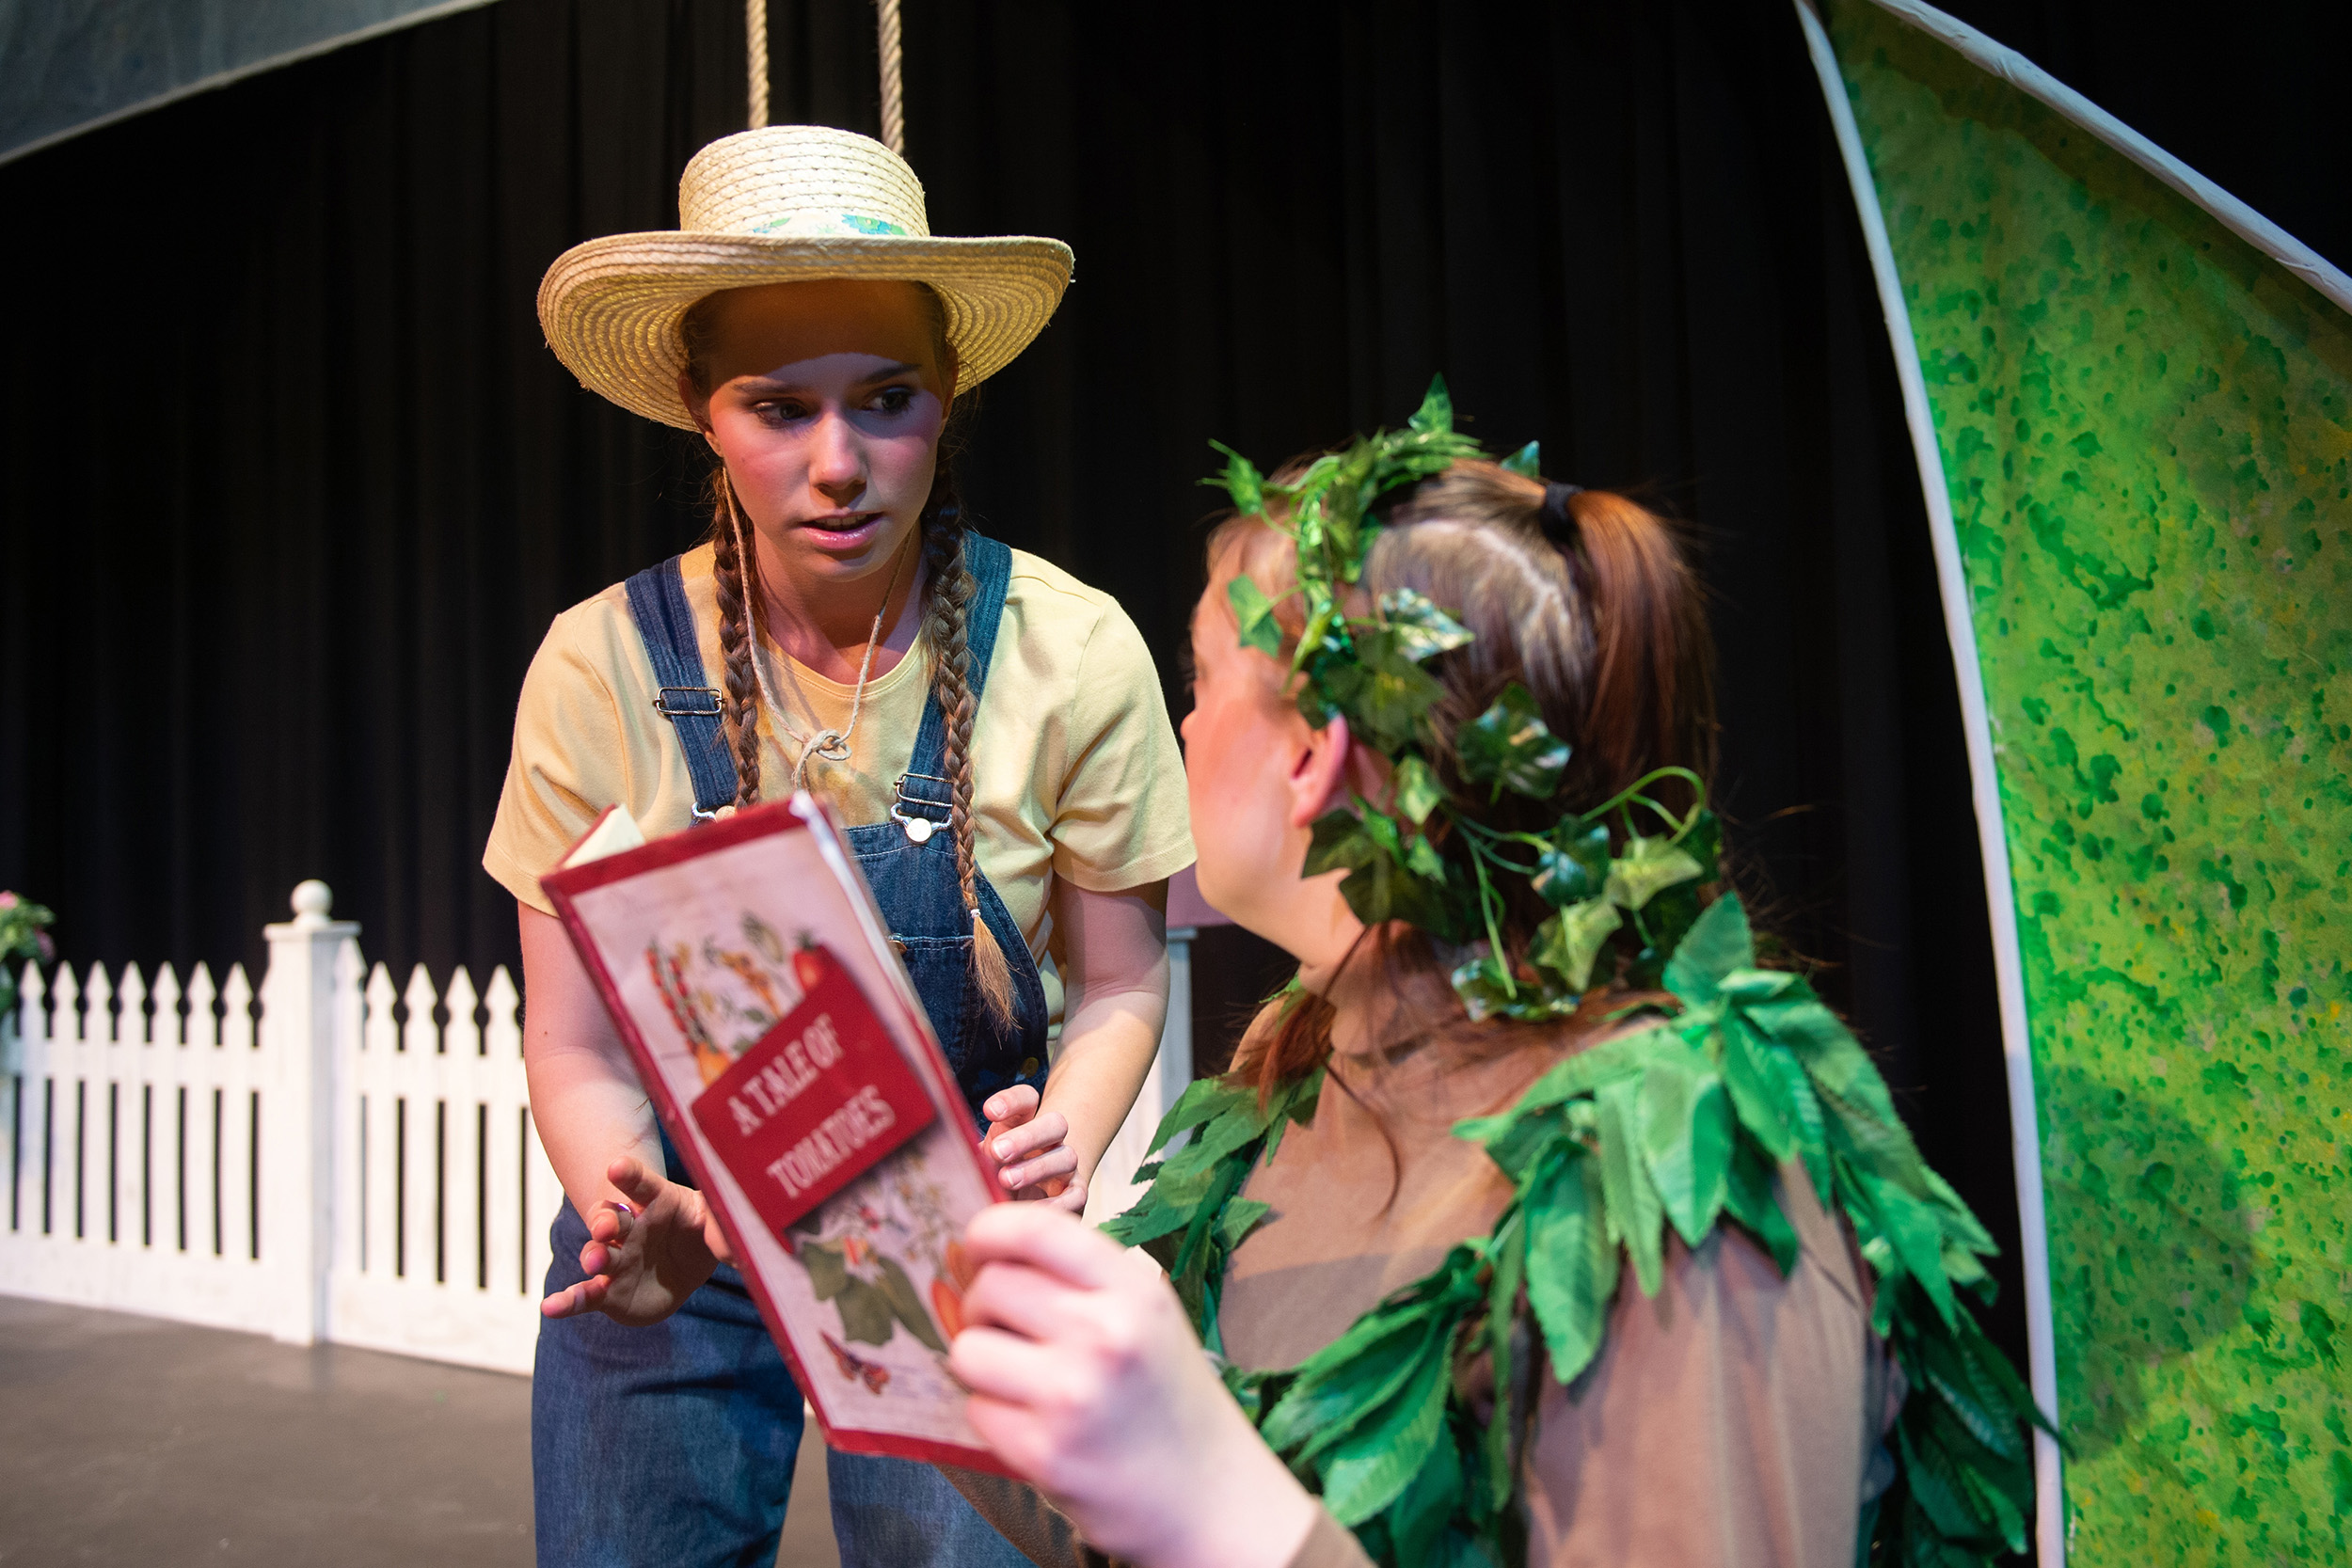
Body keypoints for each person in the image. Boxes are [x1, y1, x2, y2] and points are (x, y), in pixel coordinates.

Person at [938, 386, 2042, 1566]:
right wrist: (930, 1327)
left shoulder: (1683, 1174)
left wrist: (1226, 1511)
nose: (1185, 729)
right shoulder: (1300, 1066)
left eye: (1201, 680)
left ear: (1314, 758)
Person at [485, 126, 1193, 1567]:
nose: (839, 463)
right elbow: (571, 1043)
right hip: (683, 1240)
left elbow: (1119, 982)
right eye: (776, 407)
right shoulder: (600, 663)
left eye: (887, 401)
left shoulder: (1069, 645)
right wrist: (632, 1205)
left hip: (959, 1234)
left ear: (950, 398)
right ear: (698, 407)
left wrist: (1070, 1119)